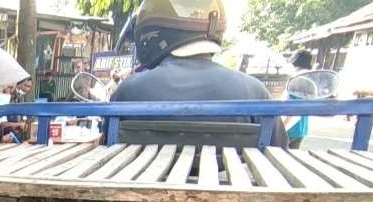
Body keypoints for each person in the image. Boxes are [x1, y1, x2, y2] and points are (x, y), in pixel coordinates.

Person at [111, 0, 288, 146]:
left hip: (143, 188)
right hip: (226, 187)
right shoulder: (255, 92)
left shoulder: (128, 91)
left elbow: (109, 152)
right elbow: (278, 159)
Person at [284, 49, 313, 149]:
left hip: (290, 129)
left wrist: (282, 129)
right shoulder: (311, 79)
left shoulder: (298, 80)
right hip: (301, 129)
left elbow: (296, 111)